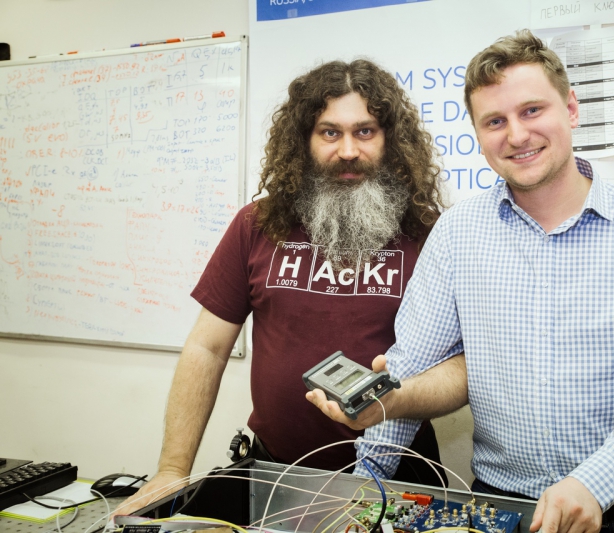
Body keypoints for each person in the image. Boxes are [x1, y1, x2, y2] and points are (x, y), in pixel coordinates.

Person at [307, 31, 614, 533]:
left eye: (532, 111)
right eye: (495, 121)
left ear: (571, 108)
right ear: (478, 134)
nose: (518, 135)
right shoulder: (457, 234)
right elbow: (409, 367)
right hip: (498, 512)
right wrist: (363, 489)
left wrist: (595, 483)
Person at [115, 59, 448, 515]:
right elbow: (207, 348)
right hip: (276, 478)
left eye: (365, 131)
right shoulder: (256, 224)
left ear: (390, 139)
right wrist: (173, 469)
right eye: (329, 132)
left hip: (398, 480)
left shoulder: (430, 234)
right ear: (303, 140)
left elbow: (462, 365)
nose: (348, 150)